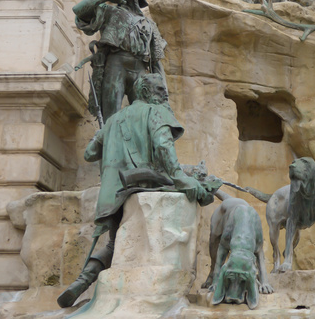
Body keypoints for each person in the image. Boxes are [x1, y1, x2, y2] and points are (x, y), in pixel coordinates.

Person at [57, 74, 218, 307]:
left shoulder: (114, 120)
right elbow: (164, 146)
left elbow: (90, 153)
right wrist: (181, 178)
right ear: (145, 91)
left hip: (112, 195)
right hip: (143, 183)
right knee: (200, 191)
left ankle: (83, 279)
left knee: (114, 243)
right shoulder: (156, 111)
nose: (165, 93)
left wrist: (101, 134)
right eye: (160, 89)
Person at [73, 0, 166, 124]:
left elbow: (157, 61)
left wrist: (164, 94)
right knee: (111, 116)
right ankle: (109, 146)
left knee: (141, 118)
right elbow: (78, 10)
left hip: (140, 68)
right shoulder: (110, 11)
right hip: (116, 64)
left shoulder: (149, 24)